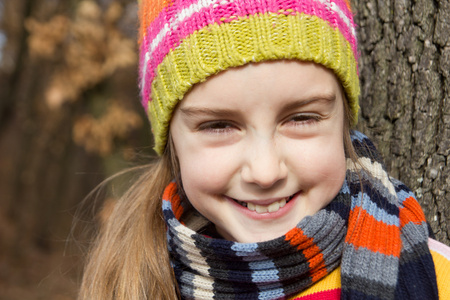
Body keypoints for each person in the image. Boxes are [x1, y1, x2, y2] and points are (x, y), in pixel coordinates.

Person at [78, 0, 450, 299]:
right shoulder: (133, 282)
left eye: (301, 118)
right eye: (218, 125)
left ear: (342, 120)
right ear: (171, 140)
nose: (265, 171)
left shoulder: (431, 277)